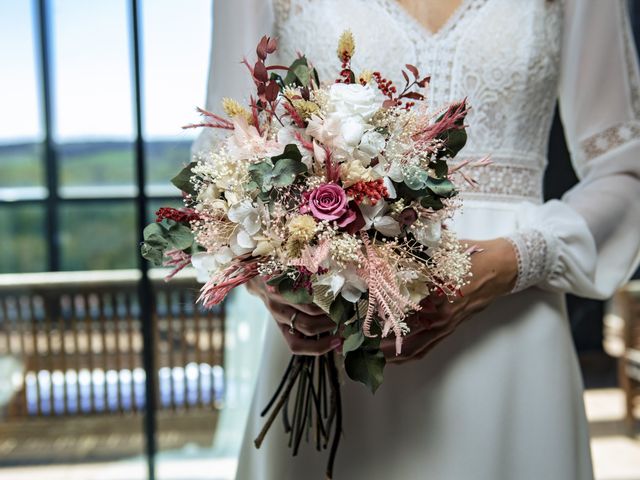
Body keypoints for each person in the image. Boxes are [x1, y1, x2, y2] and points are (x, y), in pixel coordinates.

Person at [195, 0, 640, 478]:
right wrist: (275, 284)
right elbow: (220, 167)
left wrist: (518, 259)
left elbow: (624, 169)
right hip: (333, 342)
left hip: (516, 335)